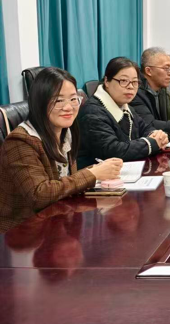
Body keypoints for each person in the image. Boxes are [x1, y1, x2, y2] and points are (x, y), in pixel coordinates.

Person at [0, 68, 124, 231]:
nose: (68, 107)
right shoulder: (20, 141)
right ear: (39, 102)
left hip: (57, 221)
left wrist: (97, 170)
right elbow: (39, 195)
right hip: (22, 233)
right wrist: (92, 174)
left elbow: (64, 180)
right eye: (58, 101)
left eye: (73, 99)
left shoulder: (66, 131)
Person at [78, 57, 169, 168]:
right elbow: (113, 151)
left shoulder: (126, 106)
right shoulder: (92, 112)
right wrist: (152, 143)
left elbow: (145, 128)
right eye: (124, 81)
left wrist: (158, 136)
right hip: (98, 176)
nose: (130, 87)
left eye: (134, 82)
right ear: (107, 81)